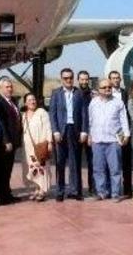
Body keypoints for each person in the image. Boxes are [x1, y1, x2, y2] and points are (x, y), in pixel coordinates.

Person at [49, 67, 89, 201]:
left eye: (71, 77)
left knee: (75, 162)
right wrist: (55, 131)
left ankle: (75, 190)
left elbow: (84, 113)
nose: (69, 80)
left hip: (75, 130)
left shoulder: (79, 93)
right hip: (60, 131)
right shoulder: (56, 93)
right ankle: (60, 191)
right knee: (60, 163)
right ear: (61, 79)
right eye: (65, 78)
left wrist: (84, 131)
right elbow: (52, 113)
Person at [88, 78, 130, 202]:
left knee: (115, 169)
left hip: (113, 141)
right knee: (98, 169)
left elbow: (124, 120)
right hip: (97, 140)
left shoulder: (118, 103)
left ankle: (115, 193)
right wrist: (90, 135)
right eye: (104, 87)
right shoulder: (93, 103)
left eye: (109, 87)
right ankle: (101, 192)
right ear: (98, 90)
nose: (107, 89)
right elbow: (90, 120)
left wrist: (126, 135)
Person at [0, 77, 22, 204]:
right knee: (3, 170)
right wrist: (6, 140)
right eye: (7, 87)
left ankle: (7, 193)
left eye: (10, 86)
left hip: (13, 141)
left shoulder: (13, 101)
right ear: (0, 88)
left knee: (8, 169)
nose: (10, 89)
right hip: (5, 143)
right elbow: (1, 123)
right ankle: (2, 196)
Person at [22, 92, 53, 202]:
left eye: (34, 99)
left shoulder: (42, 112)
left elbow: (48, 127)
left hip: (41, 145)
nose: (32, 101)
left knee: (42, 167)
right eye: (29, 100)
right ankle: (37, 188)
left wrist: (49, 142)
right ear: (25, 102)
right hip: (29, 147)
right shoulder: (24, 115)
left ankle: (43, 190)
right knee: (33, 168)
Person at [108, 70, 133, 197]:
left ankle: (128, 189)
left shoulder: (125, 93)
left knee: (126, 161)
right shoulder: (105, 93)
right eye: (113, 78)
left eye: (118, 78)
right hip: (110, 133)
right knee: (112, 162)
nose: (116, 80)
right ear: (109, 79)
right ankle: (112, 189)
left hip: (123, 131)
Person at [77, 70, 96, 196]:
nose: (84, 82)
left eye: (86, 79)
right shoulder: (74, 94)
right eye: (82, 79)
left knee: (92, 162)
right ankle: (77, 188)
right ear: (78, 80)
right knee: (76, 161)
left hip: (90, 132)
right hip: (77, 132)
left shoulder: (94, 95)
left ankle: (92, 188)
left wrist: (90, 133)